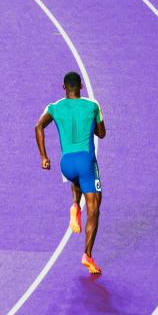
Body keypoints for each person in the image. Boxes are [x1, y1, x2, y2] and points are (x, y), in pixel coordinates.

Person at [35, 71, 106, 275]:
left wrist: (43, 157)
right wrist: (92, 123)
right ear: (81, 86)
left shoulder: (54, 107)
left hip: (66, 163)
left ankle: (75, 205)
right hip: (85, 161)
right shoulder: (92, 105)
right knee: (94, 209)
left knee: (76, 181)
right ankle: (88, 255)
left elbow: (38, 126)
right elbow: (102, 134)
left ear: (63, 87)